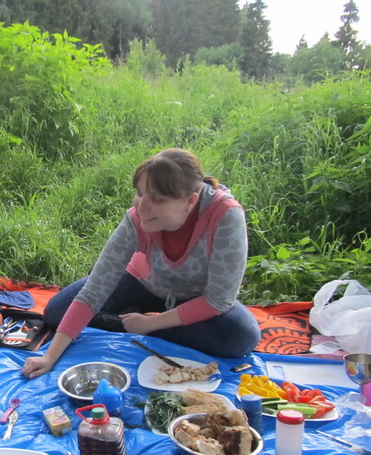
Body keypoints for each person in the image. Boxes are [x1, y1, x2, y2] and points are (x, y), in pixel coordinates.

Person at [23, 148, 260, 379]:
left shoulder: (225, 215)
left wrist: (150, 323)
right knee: (56, 311)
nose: (141, 206)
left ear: (191, 200)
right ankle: (130, 323)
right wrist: (49, 357)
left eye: (157, 199)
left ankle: (141, 324)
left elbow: (218, 299)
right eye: (139, 193)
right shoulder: (136, 218)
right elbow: (94, 291)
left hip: (197, 297)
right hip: (145, 282)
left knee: (241, 337)